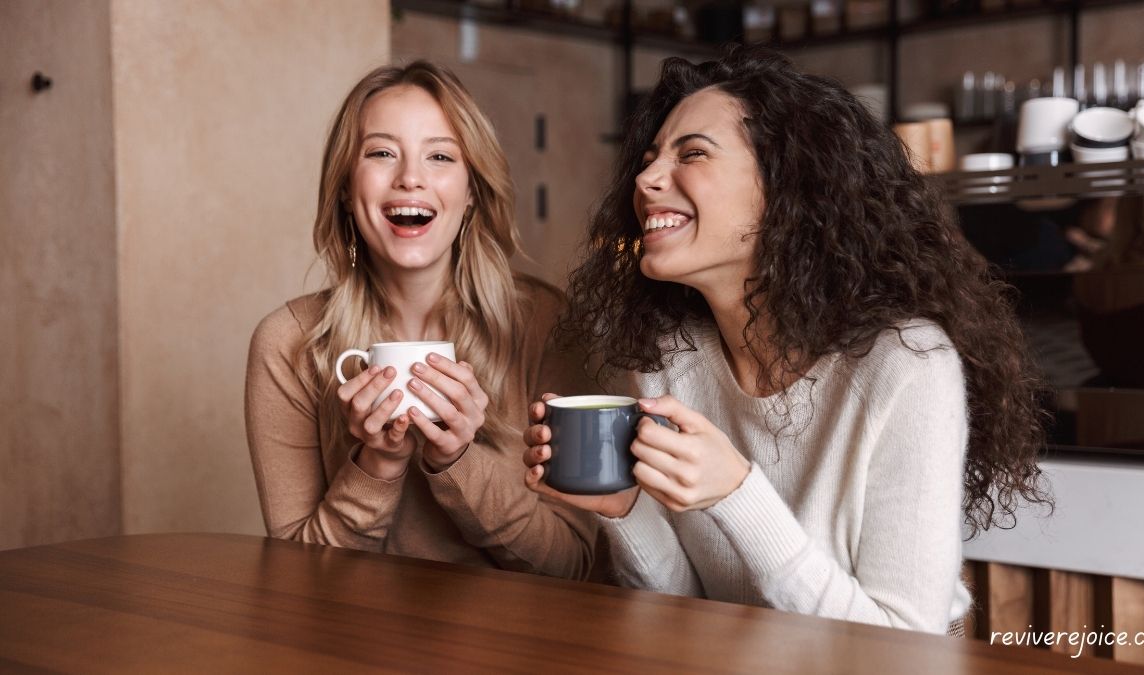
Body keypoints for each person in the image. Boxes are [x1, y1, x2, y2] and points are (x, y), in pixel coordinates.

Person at [522, 47, 1052, 632]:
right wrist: (624, 510)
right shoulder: (671, 356)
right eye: (648, 160)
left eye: (692, 153)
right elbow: (685, 600)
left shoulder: (907, 365)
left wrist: (737, 495)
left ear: (789, 187)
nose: (645, 180)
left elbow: (904, 646)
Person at [245, 62, 595, 579]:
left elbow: (574, 566)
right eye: (382, 153)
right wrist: (377, 465)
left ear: (473, 190)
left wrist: (458, 461)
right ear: (345, 187)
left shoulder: (547, 325)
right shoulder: (289, 344)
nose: (410, 178)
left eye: (439, 156)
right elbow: (299, 576)